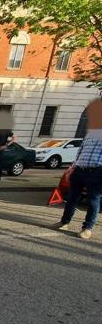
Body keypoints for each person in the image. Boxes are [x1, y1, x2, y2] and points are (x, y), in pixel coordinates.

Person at [51, 99, 102, 239]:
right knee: (72, 198)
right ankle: (64, 222)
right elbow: (81, 151)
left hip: (97, 172)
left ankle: (87, 228)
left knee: (93, 200)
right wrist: (73, 167)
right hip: (79, 170)